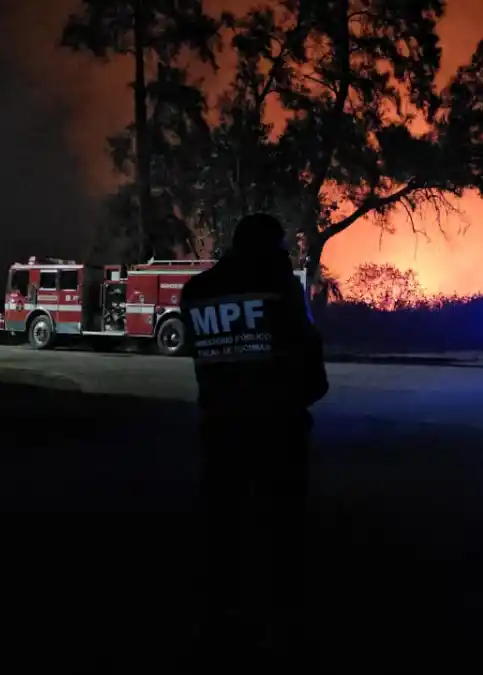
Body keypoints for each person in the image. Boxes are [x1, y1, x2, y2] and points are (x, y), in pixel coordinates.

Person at [180, 212, 329, 655]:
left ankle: (218, 622)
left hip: (219, 432)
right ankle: (281, 631)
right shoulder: (279, 290)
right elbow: (313, 373)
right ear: (269, 248)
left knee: (221, 531)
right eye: (282, 247)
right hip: (276, 434)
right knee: (281, 535)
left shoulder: (195, 293)